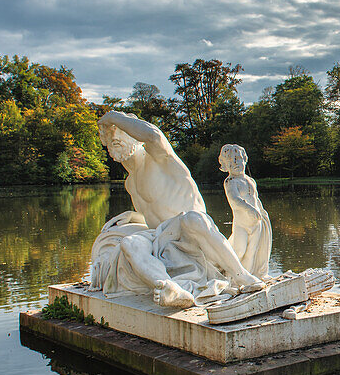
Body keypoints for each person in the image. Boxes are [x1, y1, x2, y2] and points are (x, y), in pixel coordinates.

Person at [90, 111, 262, 308]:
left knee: (193, 219)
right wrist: (133, 216)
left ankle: (242, 276)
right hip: (162, 237)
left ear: (133, 137)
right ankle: (168, 288)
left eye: (118, 141)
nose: (112, 148)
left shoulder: (161, 159)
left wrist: (113, 117)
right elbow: (156, 214)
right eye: (110, 144)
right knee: (130, 244)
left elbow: (153, 135)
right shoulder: (130, 182)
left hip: (191, 231)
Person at [220, 143, 272, 280]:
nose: (236, 163)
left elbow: (255, 198)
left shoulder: (250, 180)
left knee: (252, 251)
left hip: (256, 223)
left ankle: (250, 278)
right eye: (231, 161)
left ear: (245, 159)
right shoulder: (230, 181)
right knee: (239, 250)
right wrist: (250, 209)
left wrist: (261, 210)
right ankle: (233, 276)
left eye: (238, 159)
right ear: (225, 165)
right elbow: (235, 200)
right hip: (241, 224)